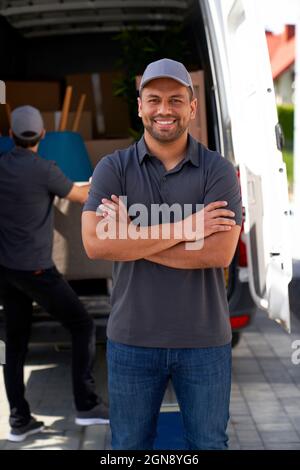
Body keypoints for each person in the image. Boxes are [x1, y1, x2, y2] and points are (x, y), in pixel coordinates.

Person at [82, 58, 242, 450]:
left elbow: (218, 254)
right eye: (154, 99)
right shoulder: (113, 169)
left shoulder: (218, 171)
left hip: (203, 342)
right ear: (140, 106)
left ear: (192, 106)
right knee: (128, 446)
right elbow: (96, 244)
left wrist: (131, 236)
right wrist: (187, 229)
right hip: (132, 340)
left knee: (208, 445)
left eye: (175, 99)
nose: (164, 110)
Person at [0, 105, 109, 443]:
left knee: (14, 343)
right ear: (43, 136)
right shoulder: (44, 169)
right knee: (82, 325)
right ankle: (86, 405)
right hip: (36, 269)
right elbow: (80, 196)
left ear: (12, 136)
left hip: (6, 271)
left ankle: (19, 420)